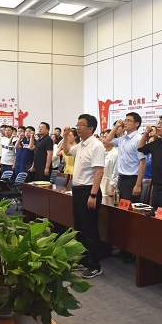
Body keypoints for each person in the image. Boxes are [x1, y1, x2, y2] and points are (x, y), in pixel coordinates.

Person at [62, 114, 105, 279]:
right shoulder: (81, 145)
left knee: (90, 230)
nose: (78, 127)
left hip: (89, 191)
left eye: (81, 125)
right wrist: (66, 136)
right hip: (78, 191)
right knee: (79, 229)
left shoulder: (96, 145)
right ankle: (84, 260)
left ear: (91, 128)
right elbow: (67, 151)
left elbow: (99, 171)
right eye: (77, 124)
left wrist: (93, 195)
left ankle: (95, 266)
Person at [105, 112, 146, 203]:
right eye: (125, 120)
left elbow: (142, 163)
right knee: (120, 207)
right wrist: (116, 126)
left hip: (132, 180)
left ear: (137, 124)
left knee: (131, 208)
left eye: (129, 121)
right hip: (121, 179)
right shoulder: (122, 139)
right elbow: (107, 141)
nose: (125, 123)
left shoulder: (139, 139)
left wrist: (138, 185)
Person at [100, 129, 118, 196]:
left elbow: (115, 173)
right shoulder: (101, 151)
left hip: (109, 186)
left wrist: (112, 189)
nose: (103, 140)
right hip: (100, 183)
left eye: (106, 137)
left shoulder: (115, 153)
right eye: (103, 137)